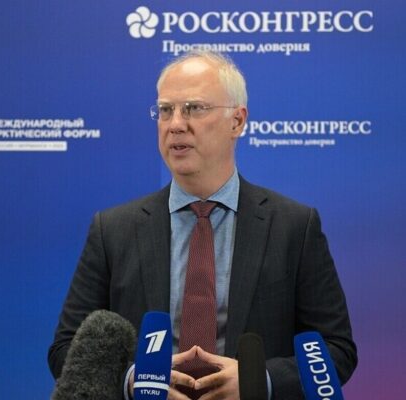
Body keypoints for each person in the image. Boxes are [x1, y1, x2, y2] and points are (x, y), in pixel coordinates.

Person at [48, 51, 357, 399]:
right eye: (166, 110)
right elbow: (66, 350)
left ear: (237, 121)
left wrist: (259, 380)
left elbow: (336, 350)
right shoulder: (113, 230)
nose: (176, 124)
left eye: (194, 108)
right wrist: (134, 380)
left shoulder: (294, 227)